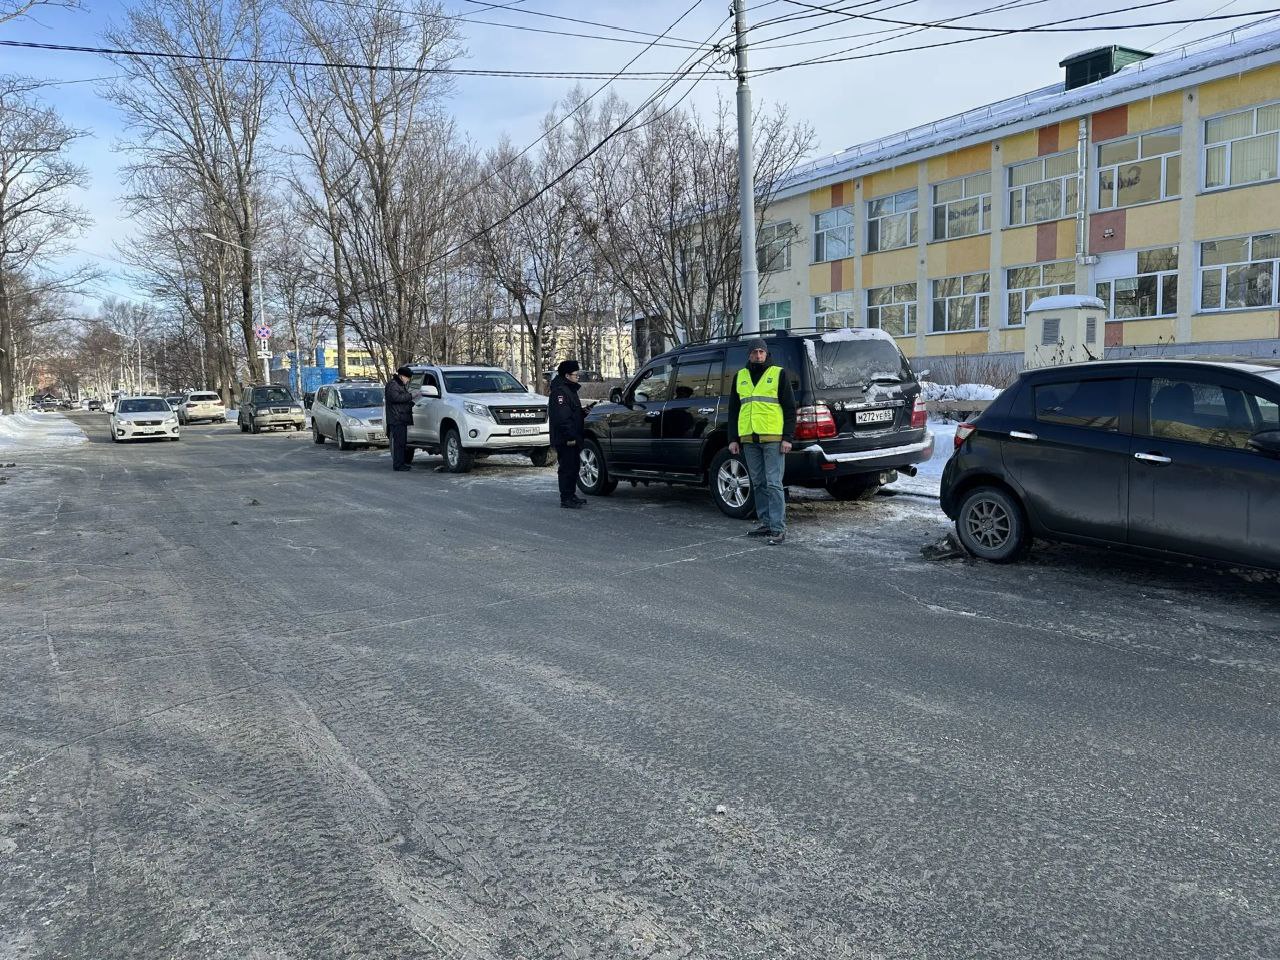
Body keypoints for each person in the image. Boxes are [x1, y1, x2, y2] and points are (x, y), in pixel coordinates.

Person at [728, 338, 796, 545]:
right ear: (749, 354)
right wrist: (733, 439)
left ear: (766, 354)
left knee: (774, 483)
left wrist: (787, 437)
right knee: (758, 482)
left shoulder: (778, 374)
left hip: (773, 439)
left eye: (761, 352)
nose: (758, 355)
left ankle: (778, 528)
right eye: (755, 352)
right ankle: (766, 523)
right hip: (749, 439)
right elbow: (734, 411)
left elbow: (790, 409)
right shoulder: (740, 377)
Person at [548, 359, 588, 509]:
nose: (577, 377)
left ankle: (571, 494)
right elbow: (562, 417)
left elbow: (572, 412)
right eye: (575, 374)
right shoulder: (560, 392)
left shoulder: (569, 390)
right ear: (566, 375)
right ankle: (566, 497)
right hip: (566, 438)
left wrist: (583, 412)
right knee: (567, 468)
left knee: (574, 466)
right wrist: (571, 436)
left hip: (572, 435)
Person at [384, 365, 416, 472]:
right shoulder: (393, 385)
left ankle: (401, 463)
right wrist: (411, 396)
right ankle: (398, 465)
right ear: (402, 376)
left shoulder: (399, 385)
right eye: (407, 378)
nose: (408, 381)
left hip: (400, 418)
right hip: (396, 418)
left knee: (401, 443)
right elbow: (395, 398)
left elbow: (401, 400)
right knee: (399, 443)